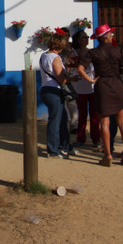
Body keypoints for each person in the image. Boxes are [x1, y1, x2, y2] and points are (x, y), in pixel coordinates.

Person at [77, 24, 123, 167]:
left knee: (104, 122)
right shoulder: (118, 50)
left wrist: (90, 80)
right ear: (107, 36)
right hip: (117, 85)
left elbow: (80, 68)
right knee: (122, 121)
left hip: (102, 86)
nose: (112, 36)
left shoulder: (93, 52)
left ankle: (107, 155)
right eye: (111, 34)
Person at [38, 31, 78, 159]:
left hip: (46, 89)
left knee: (61, 120)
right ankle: (53, 150)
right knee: (56, 121)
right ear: (60, 45)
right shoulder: (55, 58)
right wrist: (73, 78)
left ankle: (65, 146)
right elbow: (61, 79)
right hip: (53, 90)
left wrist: (65, 66)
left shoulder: (44, 55)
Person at [70, 30, 101, 149]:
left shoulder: (92, 52)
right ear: (78, 40)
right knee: (81, 115)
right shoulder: (73, 53)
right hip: (80, 86)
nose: (86, 39)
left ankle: (96, 138)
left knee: (94, 115)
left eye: (87, 37)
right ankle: (80, 137)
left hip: (92, 87)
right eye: (84, 37)